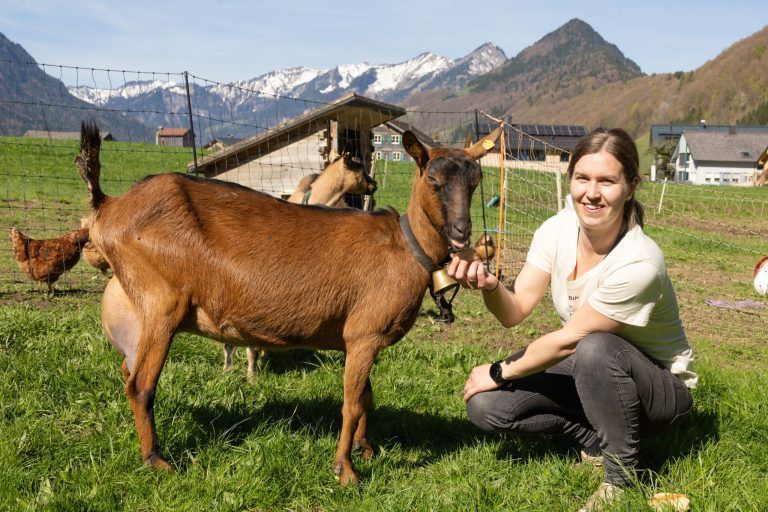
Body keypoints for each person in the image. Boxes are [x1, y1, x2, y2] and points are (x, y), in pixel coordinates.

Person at [448, 128, 696, 511]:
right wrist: (491, 286)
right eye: (583, 178)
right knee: (486, 406)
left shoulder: (640, 262)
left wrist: (499, 371)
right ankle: (591, 438)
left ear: (630, 187)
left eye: (607, 181)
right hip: (592, 368)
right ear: (571, 180)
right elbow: (514, 311)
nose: (591, 192)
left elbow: (570, 340)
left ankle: (620, 480)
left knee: (595, 347)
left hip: (659, 392)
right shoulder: (556, 229)